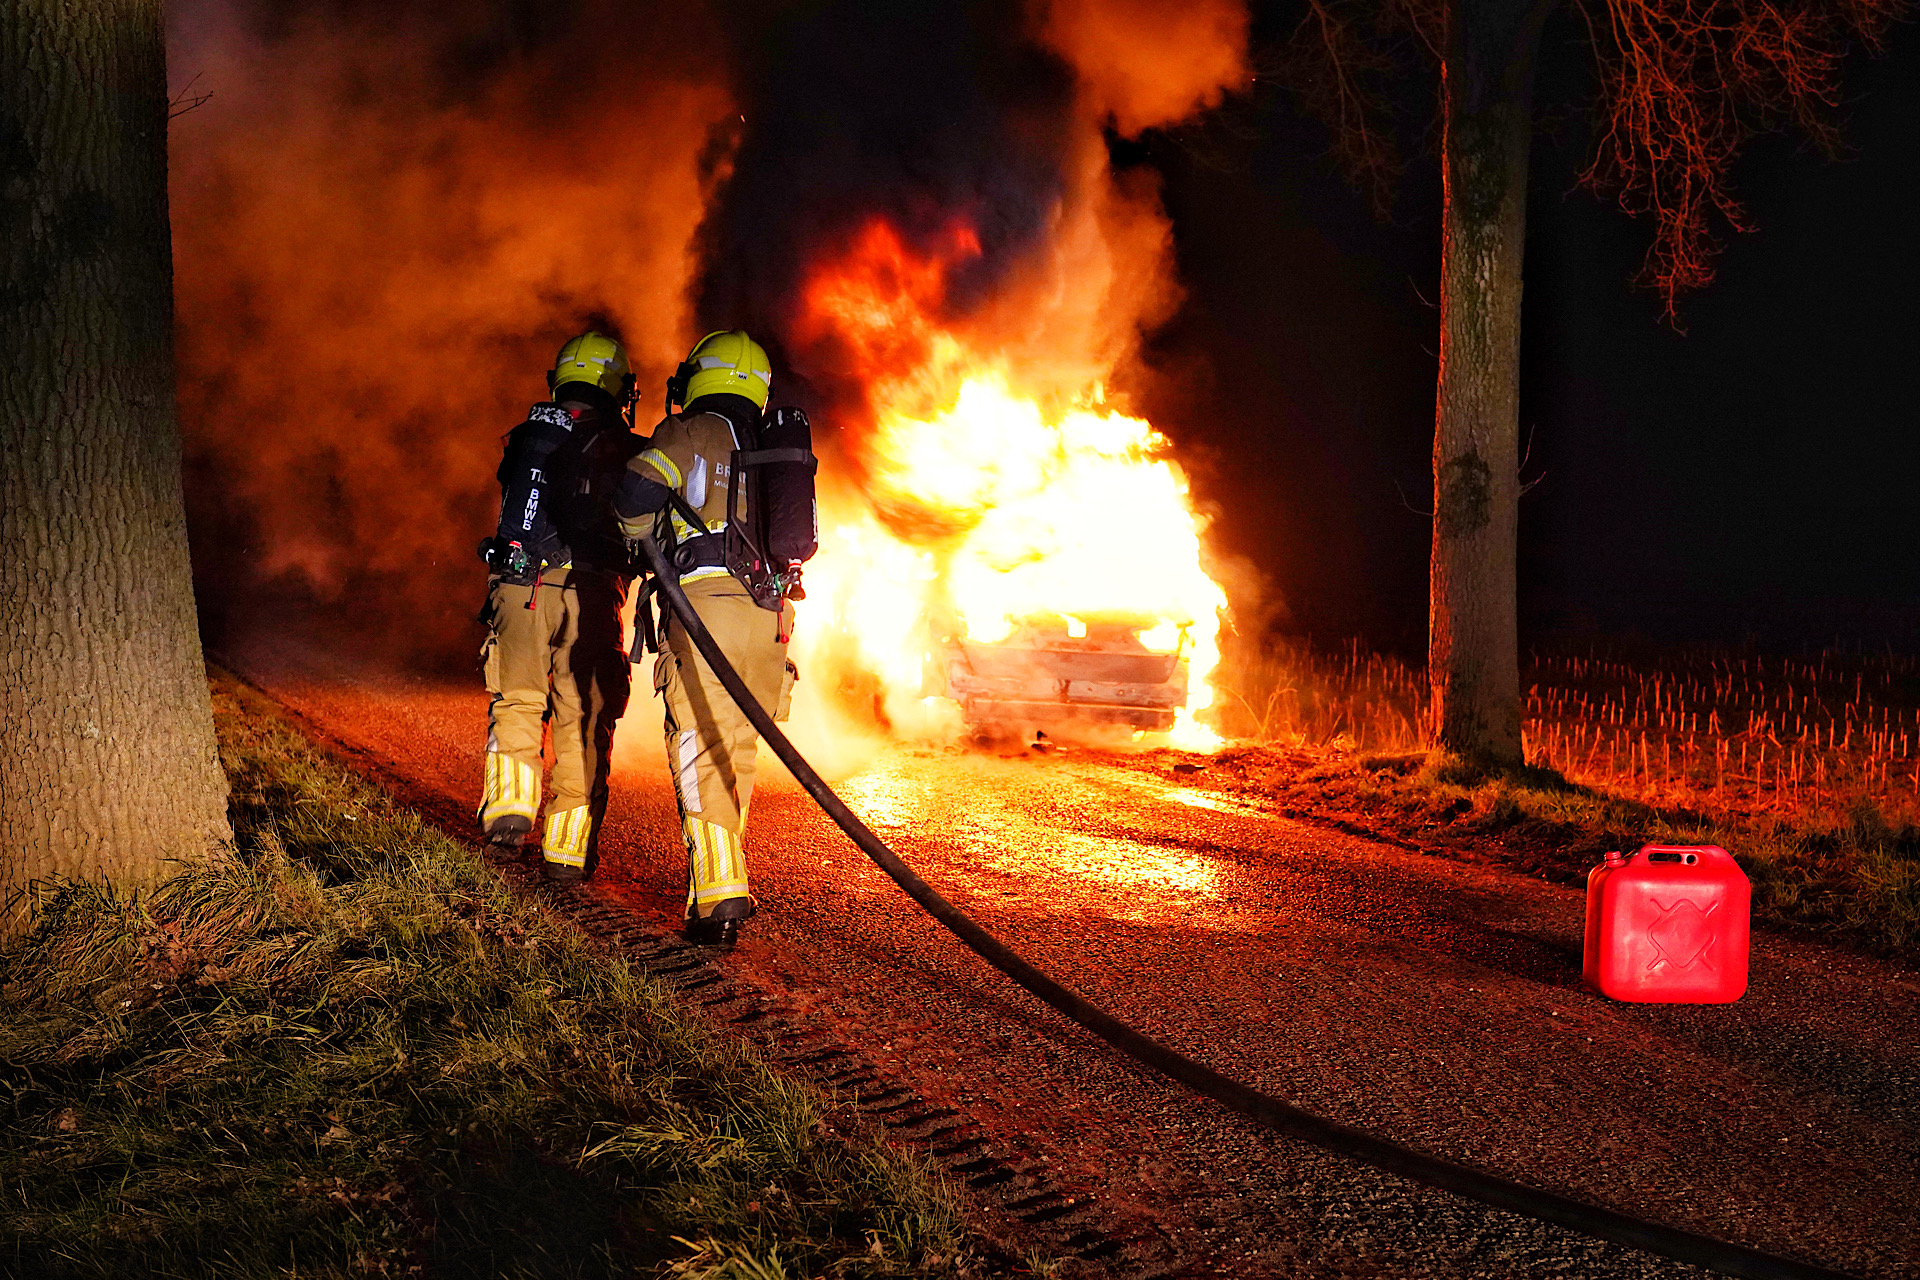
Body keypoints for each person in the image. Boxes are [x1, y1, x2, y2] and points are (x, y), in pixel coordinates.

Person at [614, 330, 809, 945]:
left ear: (702, 375)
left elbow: (636, 490)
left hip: (707, 609)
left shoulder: (692, 429)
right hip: (769, 619)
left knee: (700, 745)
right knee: (736, 751)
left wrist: (637, 535)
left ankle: (720, 895)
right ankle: (717, 886)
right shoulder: (774, 442)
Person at [476, 331, 639, 882]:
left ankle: (508, 813)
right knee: (581, 717)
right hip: (589, 594)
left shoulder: (529, 436)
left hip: (520, 587)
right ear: (619, 388)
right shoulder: (627, 446)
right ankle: (567, 851)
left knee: (518, 701)